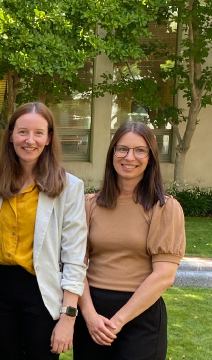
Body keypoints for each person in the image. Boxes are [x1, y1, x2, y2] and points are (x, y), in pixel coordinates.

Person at [0, 102, 87, 358]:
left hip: (43, 293)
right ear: (11, 137)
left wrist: (68, 317)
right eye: (22, 132)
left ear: (49, 138)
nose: (30, 140)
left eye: (39, 133)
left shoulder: (68, 187)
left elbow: (75, 256)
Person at [74, 121, 185, 360]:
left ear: (151, 157)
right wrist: (90, 316)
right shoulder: (89, 204)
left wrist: (119, 321)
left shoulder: (164, 208)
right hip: (91, 314)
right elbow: (75, 265)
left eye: (140, 150)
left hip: (140, 317)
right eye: (122, 149)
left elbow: (164, 275)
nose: (129, 157)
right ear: (112, 153)